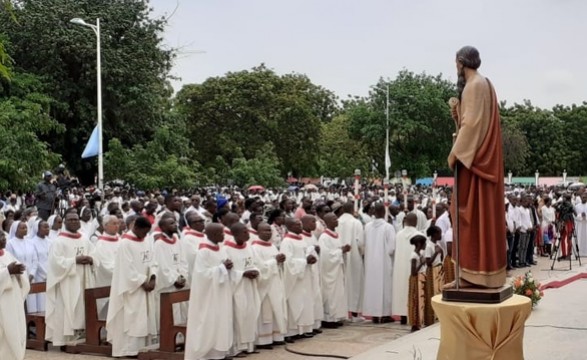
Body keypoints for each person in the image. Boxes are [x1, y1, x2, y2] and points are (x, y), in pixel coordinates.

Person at [446, 46, 506, 288]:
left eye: (455, 63)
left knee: (465, 214)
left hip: (473, 162)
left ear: (461, 62)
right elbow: (472, 119)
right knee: (476, 217)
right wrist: (457, 113)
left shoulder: (473, 85)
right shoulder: (485, 83)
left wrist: (454, 154)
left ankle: (471, 276)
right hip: (480, 159)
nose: (455, 68)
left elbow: (471, 125)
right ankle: (476, 274)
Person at [106, 217, 158, 357]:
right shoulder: (125, 243)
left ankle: (142, 348)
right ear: (136, 228)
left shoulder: (146, 240)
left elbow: (152, 260)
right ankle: (127, 350)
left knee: (143, 317)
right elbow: (126, 269)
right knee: (131, 318)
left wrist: (153, 277)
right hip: (131, 289)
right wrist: (142, 282)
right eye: (144, 232)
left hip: (145, 288)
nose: (146, 235)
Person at [45, 211, 95, 347]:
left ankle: (82, 335)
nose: (74, 222)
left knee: (82, 307)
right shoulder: (59, 241)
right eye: (70, 220)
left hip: (83, 279)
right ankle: (64, 340)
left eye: (76, 219)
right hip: (67, 281)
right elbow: (55, 263)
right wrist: (75, 260)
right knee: (66, 308)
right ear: (65, 223)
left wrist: (91, 259)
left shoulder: (84, 239)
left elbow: (94, 254)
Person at [184, 223, 234, 360]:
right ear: (211, 234)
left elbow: (224, 266)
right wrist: (222, 268)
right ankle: (205, 354)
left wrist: (227, 267)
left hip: (221, 292)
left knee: (221, 320)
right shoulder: (203, 251)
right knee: (208, 322)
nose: (224, 235)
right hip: (207, 296)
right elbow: (201, 275)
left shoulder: (221, 249)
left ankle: (219, 353)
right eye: (221, 233)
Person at [224, 222, 260, 356]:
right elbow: (226, 271)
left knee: (250, 314)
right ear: (236, 234)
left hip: (249, 286)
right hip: (237, 288)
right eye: (245, 232)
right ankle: (236, 348)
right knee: (238, 316)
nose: (248, 234)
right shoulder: (227, 249)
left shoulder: (249, 246)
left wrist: (255, 271)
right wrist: (242, 274)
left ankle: (249, 345)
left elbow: (254, 263)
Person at [251, 222, 287, 349]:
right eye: (265, 231)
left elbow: (275, 264)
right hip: (265, 285)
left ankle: (276, 337)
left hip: (275, 282)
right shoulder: (255, 248)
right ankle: (263, 340)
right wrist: (274, 261)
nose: (268, 233)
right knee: (265, 310)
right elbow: (260, 267)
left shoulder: (272, 246)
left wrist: (281, 261)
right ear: (258, 232)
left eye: (269, 231)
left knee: (276, 307)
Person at [280, 217, 316, 342]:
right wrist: (304, 261)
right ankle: (290, 331)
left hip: (304, 275)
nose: (300, 227)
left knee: (305, 301)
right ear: (289, 227)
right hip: (294, 278)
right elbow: (288, 262)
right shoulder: (287, 241)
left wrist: (310, 258)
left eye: (300, 224)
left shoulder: (301, 239)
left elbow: (304, 254)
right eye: (297, 225)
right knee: (294, 302)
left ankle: (303, 329)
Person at [153, 213, 188, 331]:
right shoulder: (159, 244)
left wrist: (183, 276)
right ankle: (166, 339)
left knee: (180, 312)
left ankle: (178, 338)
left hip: (179, 283)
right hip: (167, 285)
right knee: (168, 314)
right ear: (162, 227)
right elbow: (161, 267)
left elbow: (183, 260)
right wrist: (174, 280)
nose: (175, 225)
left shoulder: (177, 240)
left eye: (175, 222)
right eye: (171, 223)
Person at [363, 203, 396, 323]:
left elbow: (363, 243)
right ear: (383, 212)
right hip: (384, 262)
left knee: (372, 287)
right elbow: (392, 248)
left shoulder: (367, 226)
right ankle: (385, 314)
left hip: (370, 261)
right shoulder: (388, 227)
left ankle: (374, 315)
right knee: (385, 287)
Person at [0, 231, 30, 360]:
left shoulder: (7, 254)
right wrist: (7, 271)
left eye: (3, 235)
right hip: (2, 302)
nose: (4, 238)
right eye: (0, 236)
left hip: (12, 301)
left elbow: (21, 272)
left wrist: (19, 273)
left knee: (14, 331)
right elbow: (7, 270)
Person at [319, 213, 350, 327]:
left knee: (338, 293)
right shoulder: (324, 237)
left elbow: (337, 250)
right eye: (334, 219)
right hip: (329, 271)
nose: (337, 220)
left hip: (337, 268)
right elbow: (325, 255)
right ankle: (328, 319)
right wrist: (341, 251)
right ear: (327, 222)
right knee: (330, 293)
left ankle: (337, 317)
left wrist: (344, 250)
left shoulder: (336, 234)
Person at [337, 202, 365, 321]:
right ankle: (354, 314)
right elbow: (360, 242)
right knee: (355, 283)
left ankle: (341, 313)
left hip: (339, 255)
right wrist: (363, 253)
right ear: (354, 209)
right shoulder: (356, 222)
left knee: (342, 283)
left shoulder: (337, 221)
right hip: (354, 257)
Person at [89, 215, 121, 319]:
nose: (117, 226)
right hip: (108, 282)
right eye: (114, 224)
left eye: (118, 223)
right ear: (105, 226)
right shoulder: (101, 244)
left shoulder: (121, 241)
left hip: (122, 280)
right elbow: (105, 265)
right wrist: (123, 272)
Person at [392, 213, 421, 324]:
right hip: (412, 267)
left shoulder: (399, 234)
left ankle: (402, 316)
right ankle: (412, 315)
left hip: (400, 267)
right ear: (416, 221)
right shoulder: (418, 234)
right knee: (410, 289)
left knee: (401, 290)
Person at [7, 220, 38, 313]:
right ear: (15, 229)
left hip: (31, 277)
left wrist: (32, 274)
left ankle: (32, 324)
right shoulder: (10, 243)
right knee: (21, 303)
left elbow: (35, 260)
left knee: (32, 304)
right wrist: (22, 276)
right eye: (22, 228)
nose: (25, 229)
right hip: (18, 277)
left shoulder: (30, 242)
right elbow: (11, 259)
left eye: (26, 228)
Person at [301, 215, 324, 333]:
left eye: (315, 221)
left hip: (314, 271)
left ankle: (314, 324)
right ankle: (306, 326)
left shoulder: (313, 236)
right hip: (305, 272)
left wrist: (316, 250)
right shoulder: (301, 237)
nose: (314, 224)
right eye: (312, 221)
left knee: (315, 296)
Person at [424, 225, 444, 326]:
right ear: (434, 234)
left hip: (439, 270)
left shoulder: (437, 244)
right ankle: (431, 317)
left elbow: (441, 258)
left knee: (439, 291)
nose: (441, 235)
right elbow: (428, 263)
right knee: (433, 292)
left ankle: (438, 315)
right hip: (432, 271)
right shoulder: (429, 246)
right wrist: (436, 253)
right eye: (439, 233)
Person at [408, 234, 427, 332]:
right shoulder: (414, 256)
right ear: (419, 244)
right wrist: (422, 263)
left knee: (421, 301)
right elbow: (413, 272)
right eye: (424, 243)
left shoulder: (420, 254)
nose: (425, 245)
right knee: (416, 300)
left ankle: (420, 321)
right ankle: (414, 323)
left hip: (421, 278)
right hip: (416, 280)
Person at [31, 220, 51, 312]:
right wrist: (45, 273)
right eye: (45, 227)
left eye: (48, 227)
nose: (48, 229)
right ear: (37, 229)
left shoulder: (50, 242)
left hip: (51, 274)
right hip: (39, 275)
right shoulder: (32, 242)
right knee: (41, 300)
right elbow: (36, 261)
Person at [181, 211, 206, 280]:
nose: (203, 223)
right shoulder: (188, 238)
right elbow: (192, 257)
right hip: (197, 272)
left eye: (202, 220)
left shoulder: (205, 236)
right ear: (192, 224)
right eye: (200, 221)